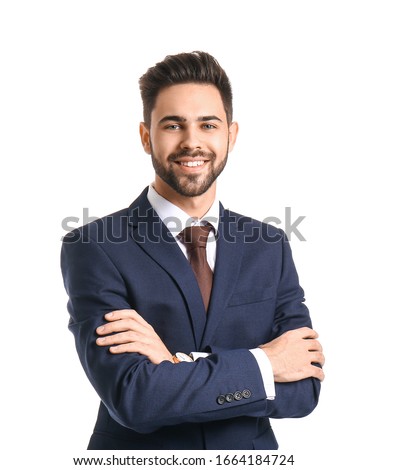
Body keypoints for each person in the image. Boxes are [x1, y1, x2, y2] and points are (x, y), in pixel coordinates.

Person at [61, 51, 325, 450]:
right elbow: (136, 399)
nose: (192, 142)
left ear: (230, 136)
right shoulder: (94, 246)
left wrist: (175, 366)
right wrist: (265, 364)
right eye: (173, 125)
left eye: (208, 125)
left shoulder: (270, 246)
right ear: (146, 136)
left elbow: (304, 389)